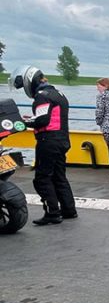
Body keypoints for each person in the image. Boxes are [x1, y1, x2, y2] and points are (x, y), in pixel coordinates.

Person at [10, 66, 76, 225]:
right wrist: (33, 118)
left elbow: (42, 121)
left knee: (42, 178)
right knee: (59, 176)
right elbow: (50, 117)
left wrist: (24, 122)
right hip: (62, 139)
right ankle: (69, 210)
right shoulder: (58, 93)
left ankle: (52, 213)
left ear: (29, 81)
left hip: (48, 141)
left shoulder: (42, 96)